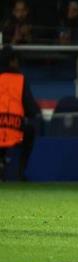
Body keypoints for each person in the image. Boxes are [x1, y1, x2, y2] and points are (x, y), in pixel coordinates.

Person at [0, 46, 40, 181]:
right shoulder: (20, 79)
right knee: (30, 132)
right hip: (15, 130)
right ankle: (20, 172)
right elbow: (31, 110)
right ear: (11, 61)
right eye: (16, 60)